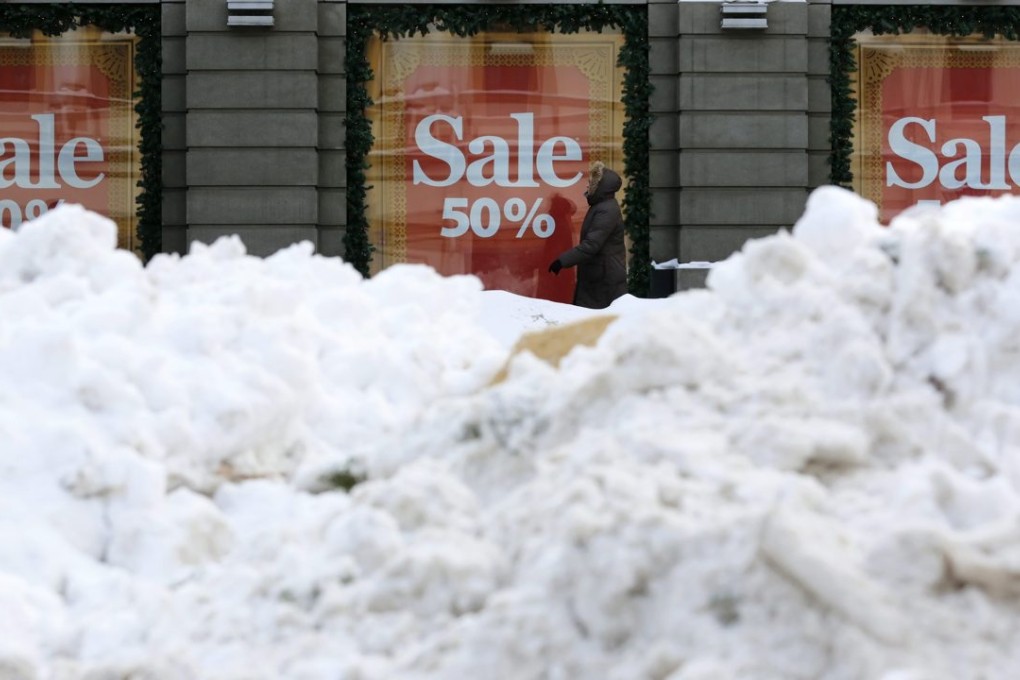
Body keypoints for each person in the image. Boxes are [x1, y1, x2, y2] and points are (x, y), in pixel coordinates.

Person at [547, 161, 627, 309]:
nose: (587, 185)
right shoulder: (600, 207)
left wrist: (562, 261)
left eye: (590, 182)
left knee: (597, 322)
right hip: (598, 276)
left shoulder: (606, 210)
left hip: (603, 279)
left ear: (600, 187)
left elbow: (591, 245)